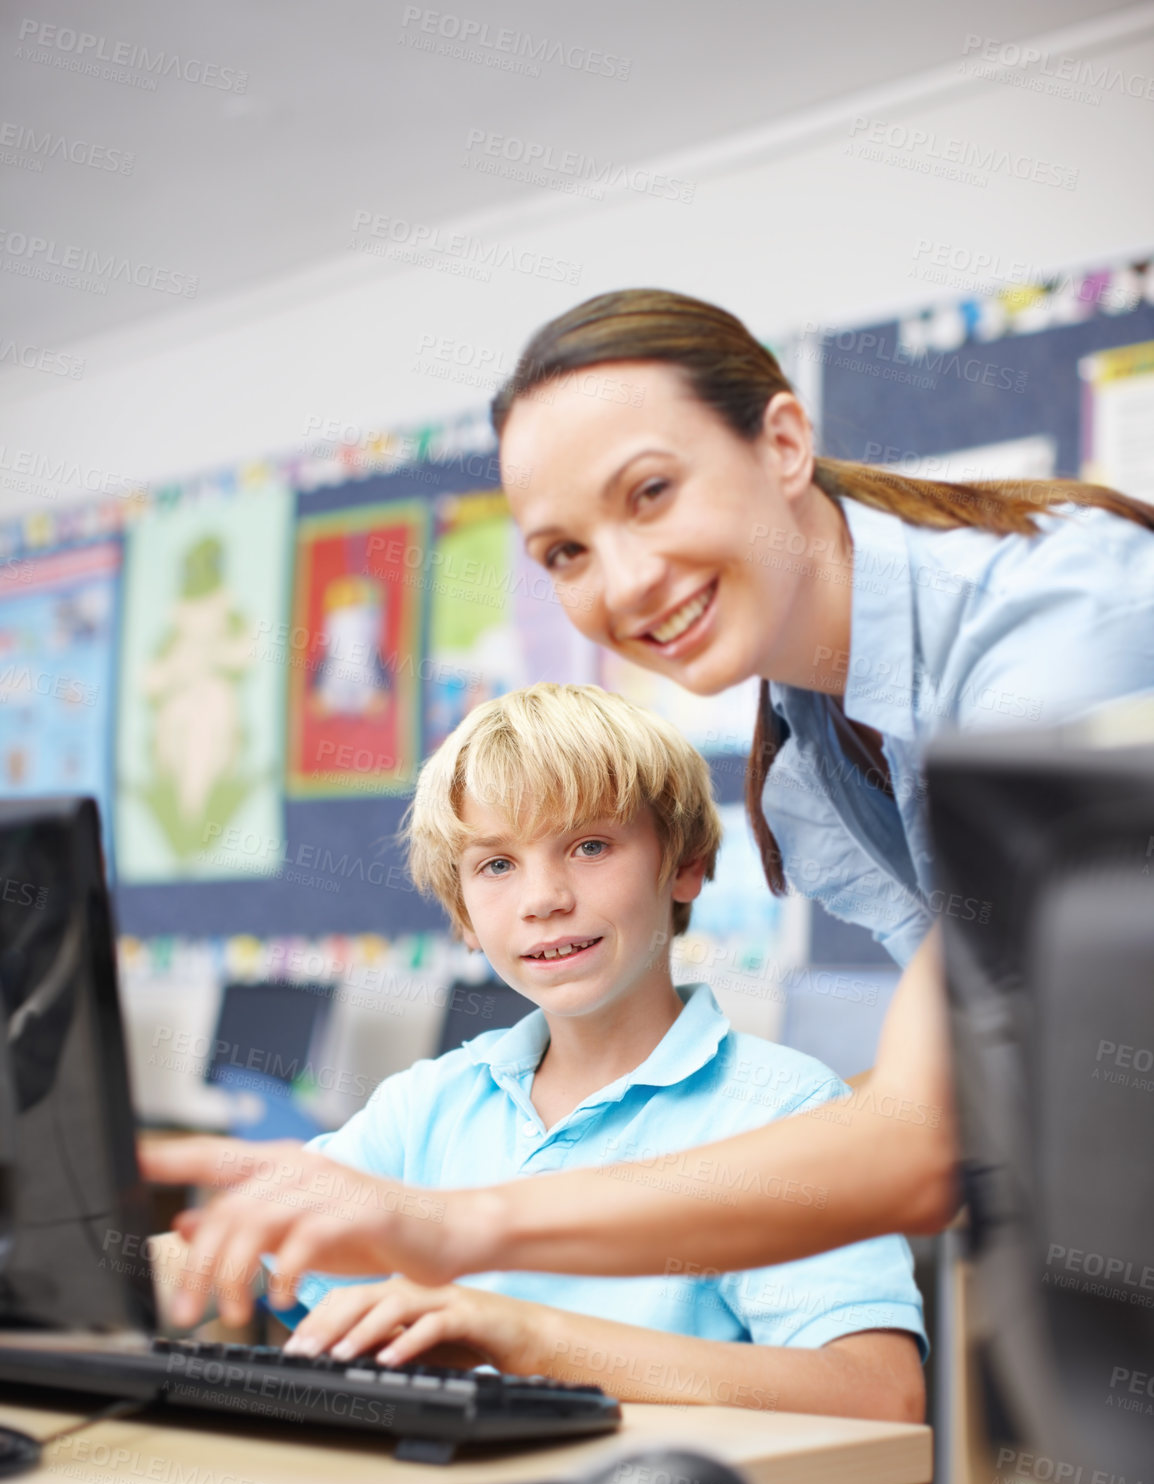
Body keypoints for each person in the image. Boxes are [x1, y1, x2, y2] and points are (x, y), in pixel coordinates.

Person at [145, 286, 1154, 1305]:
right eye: (565, 554)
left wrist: (462, 1224)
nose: (621, 583)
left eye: (650, 492)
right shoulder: (811, 763)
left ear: (783, 442)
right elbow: (982, 1074)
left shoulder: (1059, 618)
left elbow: (925, 1139)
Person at [158, 683, 926, 1419]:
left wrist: (531, 1340)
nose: (543, 898)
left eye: (590, 845)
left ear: (686, 864)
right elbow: (230, 1257)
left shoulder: (786, 1112)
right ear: (462, 913)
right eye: (496, 865)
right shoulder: (429, 1104)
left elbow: (876, 1395)